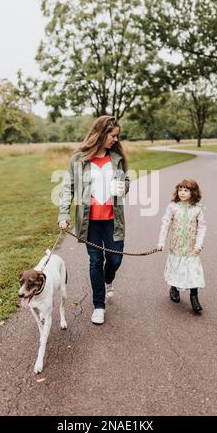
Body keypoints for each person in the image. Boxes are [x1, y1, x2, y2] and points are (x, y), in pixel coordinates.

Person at [58, 115, 130, 324]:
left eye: (117, 136)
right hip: (90, 222)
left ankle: (109, 280)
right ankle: (99, 305)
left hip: (112, 220)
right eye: (113, 135)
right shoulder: (78, 159)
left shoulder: (116, 158)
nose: (116, 139)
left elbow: (126, 181)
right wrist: (63, 214)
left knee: (115, 259)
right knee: (96, 260)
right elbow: (67, 188)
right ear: (101, 134)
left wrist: (124, 187)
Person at [157, 179, 207, 313]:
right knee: (176, 267)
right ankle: (173, 288)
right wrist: (161, 242)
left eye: (186, 190)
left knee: (192, 270)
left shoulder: (198, 209)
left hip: (192, 248)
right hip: (176, 246)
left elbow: (202, 228)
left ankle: (194, 297)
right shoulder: (173, 207)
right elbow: (166, 224)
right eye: (180, 190)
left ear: (193, 192)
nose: (182, 193)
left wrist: (199, 244)